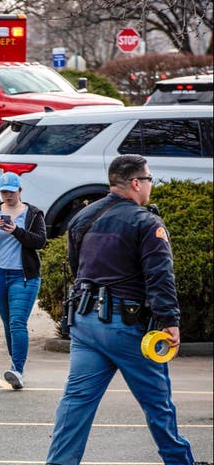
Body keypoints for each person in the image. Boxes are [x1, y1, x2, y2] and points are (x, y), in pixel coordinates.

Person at [46, 154, 194, 464]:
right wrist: (169, 321)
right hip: (127, 327)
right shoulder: (146, 222)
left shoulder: (82, 217)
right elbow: (160, 276)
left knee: (76, 403)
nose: (151, 185)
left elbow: (77, 268)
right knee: (158, 404)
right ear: (136, 183)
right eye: (149, 179)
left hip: (85, 323)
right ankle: (180, 461)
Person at [0, 172, 46, 389]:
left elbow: (40, 241)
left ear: (20, 191)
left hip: (24, 277)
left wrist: (17, 231)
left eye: (11, 192)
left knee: (17, 322)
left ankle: (17, 370)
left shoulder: (33, 213)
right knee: (8, 324)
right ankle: (15, 365)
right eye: (4, 192)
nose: (8, 196)